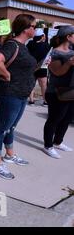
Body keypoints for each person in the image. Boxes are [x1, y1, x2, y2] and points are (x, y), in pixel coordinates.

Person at [0, 14, 37, 180]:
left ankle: (9, 154)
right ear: (26, 29)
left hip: (21, 94)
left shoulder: (23, 46)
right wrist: (7, 75)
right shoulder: (12, 45)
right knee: (2, 128)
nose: (36, 30)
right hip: (9, 94)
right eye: (34, 26)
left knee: (12, 127)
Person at [42, 26, 74, 159]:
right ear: (68, 36)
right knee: (54, 119)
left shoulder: (72, 51)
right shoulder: (55, 53)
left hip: (71, 90)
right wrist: (69, 63)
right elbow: (57, 72)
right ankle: (48, 145)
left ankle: (58, 141)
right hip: (56, 92)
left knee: (67, 118)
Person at [27, 29, 50, 105]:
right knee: (44, 85)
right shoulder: (46, 45)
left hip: (31, 66)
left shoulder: (30, 43)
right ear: (42, 36)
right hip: (42, 67)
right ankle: (46, 101)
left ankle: (31, 100)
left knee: (31, 84)